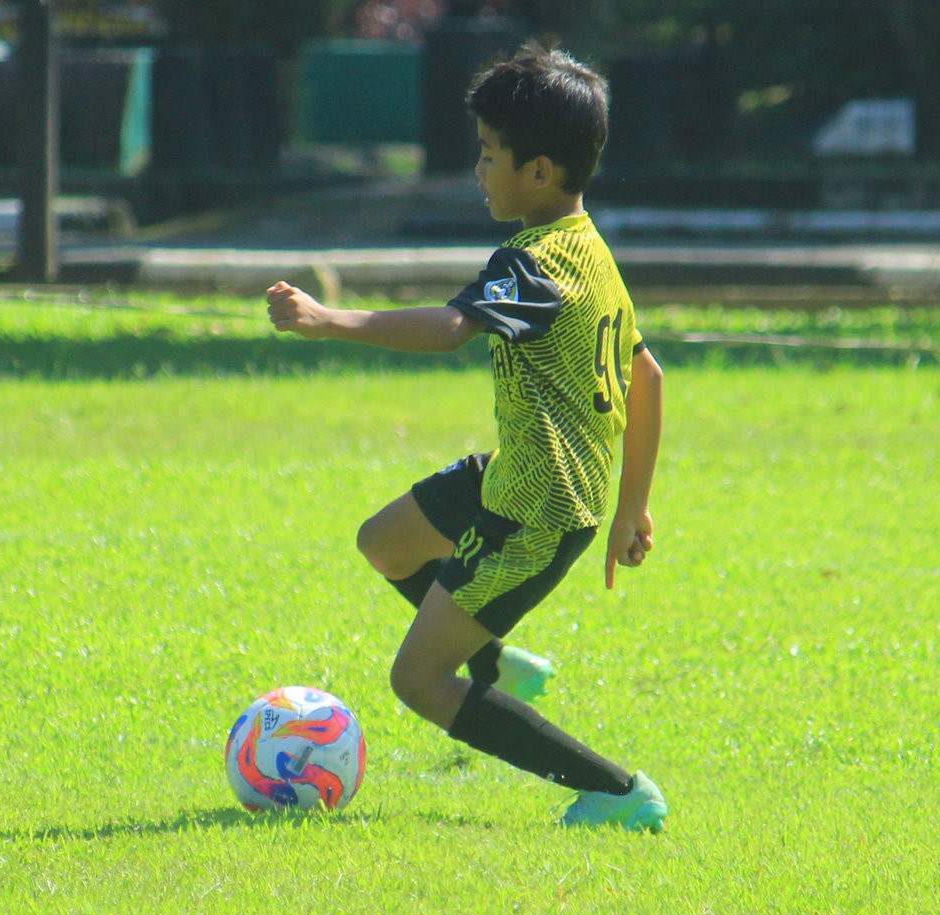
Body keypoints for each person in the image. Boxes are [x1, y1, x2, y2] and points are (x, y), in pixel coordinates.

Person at [267, 43, 667, 829]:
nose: (478, 170)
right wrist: (631, 506)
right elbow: (647, 375)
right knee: (386, 542)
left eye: (489, 156)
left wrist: (327, 319)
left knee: (416, 680)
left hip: (538, 508)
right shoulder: (592, 250)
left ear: (540, 171)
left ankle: (620, 793)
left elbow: (451, 329)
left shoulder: (533, 265)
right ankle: (498, 664)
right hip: (521, 474)